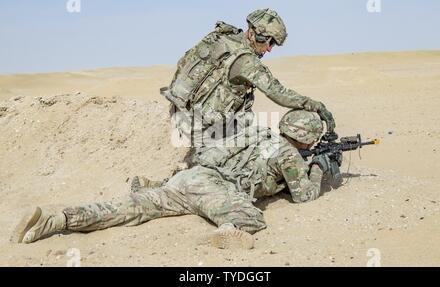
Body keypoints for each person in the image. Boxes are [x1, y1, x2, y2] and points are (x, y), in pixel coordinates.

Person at [12, 110, 334, 249]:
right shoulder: (287, 152)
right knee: (251, 218)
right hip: (214, 190)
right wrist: (319, 167)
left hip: (189, 178)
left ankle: (56, 220)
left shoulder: (256, 132)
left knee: (130, 209)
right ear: (305, 139)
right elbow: (304, 196)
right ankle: (222, 234)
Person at [161, 8, 335, 146]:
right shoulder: (246, 61)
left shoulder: (224, 39)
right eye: (269, 42)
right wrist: (316, 106)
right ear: (254, 34)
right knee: (264, 149)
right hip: (203, 130)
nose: (269, 49)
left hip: (183, 114)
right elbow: (277, 92)